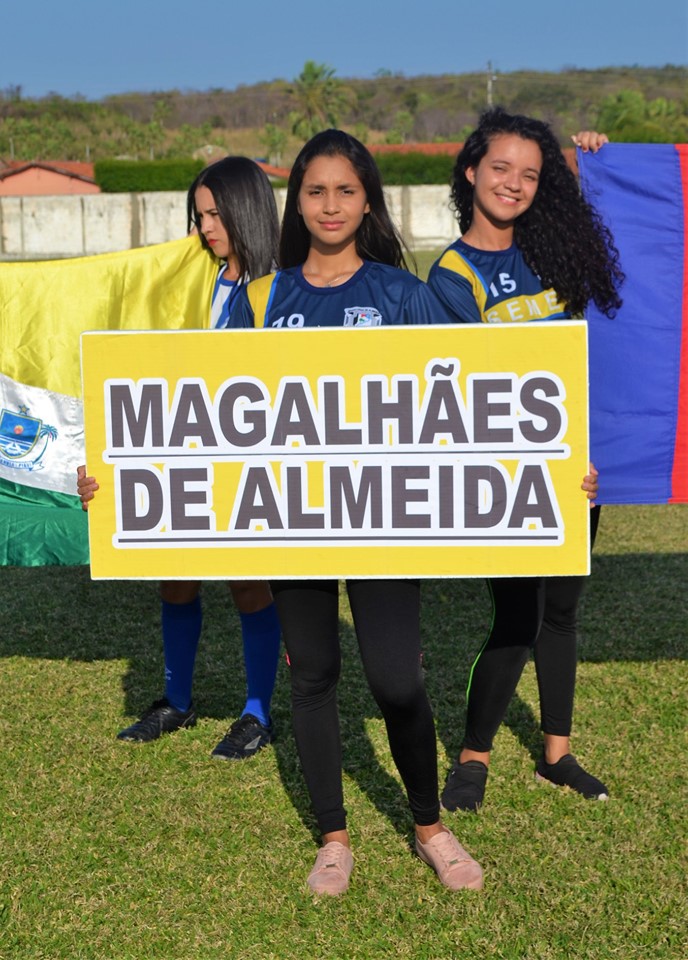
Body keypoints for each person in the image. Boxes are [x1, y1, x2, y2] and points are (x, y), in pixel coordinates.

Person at [229, 129, 482, 896]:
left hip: (384, 515)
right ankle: (333, 839)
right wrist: (116, 477)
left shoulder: (403, 294)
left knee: (396, 681)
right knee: (313, 674)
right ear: (296, 203)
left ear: (368, 199)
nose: (331, 205)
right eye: (315, 191)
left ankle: (430, 827)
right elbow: (203, 418)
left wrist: (556, 471)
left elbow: (482, 397)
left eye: (346, 190)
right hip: (292, 515)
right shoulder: (260, 300)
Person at [427, 108, 624, 812]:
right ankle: (473, 758)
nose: (513, 183)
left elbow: (632, 256)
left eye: (531, 174)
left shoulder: (555, 251)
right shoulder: (452, 274)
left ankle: (557, 756)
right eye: (501, 168)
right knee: (516, 614)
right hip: (506, 476)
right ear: (471, 171)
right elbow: (462, 388)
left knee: (562, 612)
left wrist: (596, 164)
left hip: (575, 471)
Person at [77, 157, 282, 759]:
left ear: (248, 209)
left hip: (247, 458)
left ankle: (257, 712)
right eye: (199, 215)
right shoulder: (191, 282)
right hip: (184, 452)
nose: (205, 227)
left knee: (249, 583)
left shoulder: (280, 287)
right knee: (175, 577)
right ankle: (177, 701)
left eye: (216, 213)